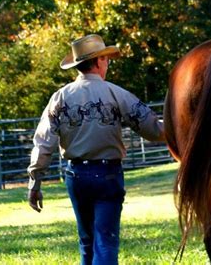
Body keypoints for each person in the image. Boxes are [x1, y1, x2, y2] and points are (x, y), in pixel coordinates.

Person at [27, 34, 165, 264]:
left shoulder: (59, 98)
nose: (107, 64)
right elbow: (154, 130)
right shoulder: (117, 94)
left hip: (76, 176)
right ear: (99, 62)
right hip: (108, 176)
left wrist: (35, 183)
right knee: (106, 242)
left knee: (87, 242)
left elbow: (43, 144)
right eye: (106, 60)